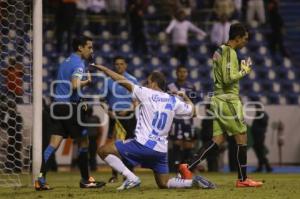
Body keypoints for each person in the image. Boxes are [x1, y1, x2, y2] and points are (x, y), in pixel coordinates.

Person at [91, 63, 215, 190]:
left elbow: (122, 81)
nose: (146, 84)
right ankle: (191, 183)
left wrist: (106, 69)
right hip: (160, 151)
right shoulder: (173, 100)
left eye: (148, 82)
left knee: (103, 151)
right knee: (164, 183)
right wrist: (185, 97)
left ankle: (131, 177)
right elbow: (193, 112)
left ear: (154, 84)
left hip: (142, 145)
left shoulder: (146, 93)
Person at [179, 23, 263, 187]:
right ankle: (243, 179)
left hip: (217, 98)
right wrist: (244, 71)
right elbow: (227, 78)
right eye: (245, 39)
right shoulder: (230, 52)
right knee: (242, 137)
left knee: (217, 139)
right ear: (237, 38)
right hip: (228, 100)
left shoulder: (219, 50)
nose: (246, 42)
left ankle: (188, 166)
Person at [34, 36, 105, 190]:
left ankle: (40, 179)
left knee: (53, 144)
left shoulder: (66, 61)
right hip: (68, 107)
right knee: (84, 141)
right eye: (89, 47)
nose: (91, 50)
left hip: (57, 106)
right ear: (80, 48)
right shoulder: (78, 63)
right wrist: (87, 82)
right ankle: (86, 180)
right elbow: (74, 85)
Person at [104, 56, 138, 183]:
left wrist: (128, 110)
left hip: (129, 117)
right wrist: (108, 111)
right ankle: (115, 174)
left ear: (126, 65)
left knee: (129, 147)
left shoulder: (132, 80)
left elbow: (137, 101)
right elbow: (102, 100)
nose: (119, 66)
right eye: (117, 64)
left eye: (121, 64)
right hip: (114, 116)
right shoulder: (108, 81)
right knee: (114, 147)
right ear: (114, 66)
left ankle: (128, 174)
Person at [167, 65, 199, 171]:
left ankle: (187, 167)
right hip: (175, 118)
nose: (182, 74)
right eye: (180, 71)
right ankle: (175, 167)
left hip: (187, 118)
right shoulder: (169, 86)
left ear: (187, 73)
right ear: (176, 73)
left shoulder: (191, 86)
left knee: (188, 144)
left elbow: (194, 101)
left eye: (184, 72)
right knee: (176, 142)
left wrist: (194, 112)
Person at [252, 104, 272, 172]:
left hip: (259, 137)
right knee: (259, 152)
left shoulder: (262, 114)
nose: (256, 109)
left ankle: (268, 167)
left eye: (257, 108)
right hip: (257, 136)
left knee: (260, 152)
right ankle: (261, 167)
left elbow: (263, 123)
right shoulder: (259, 114)